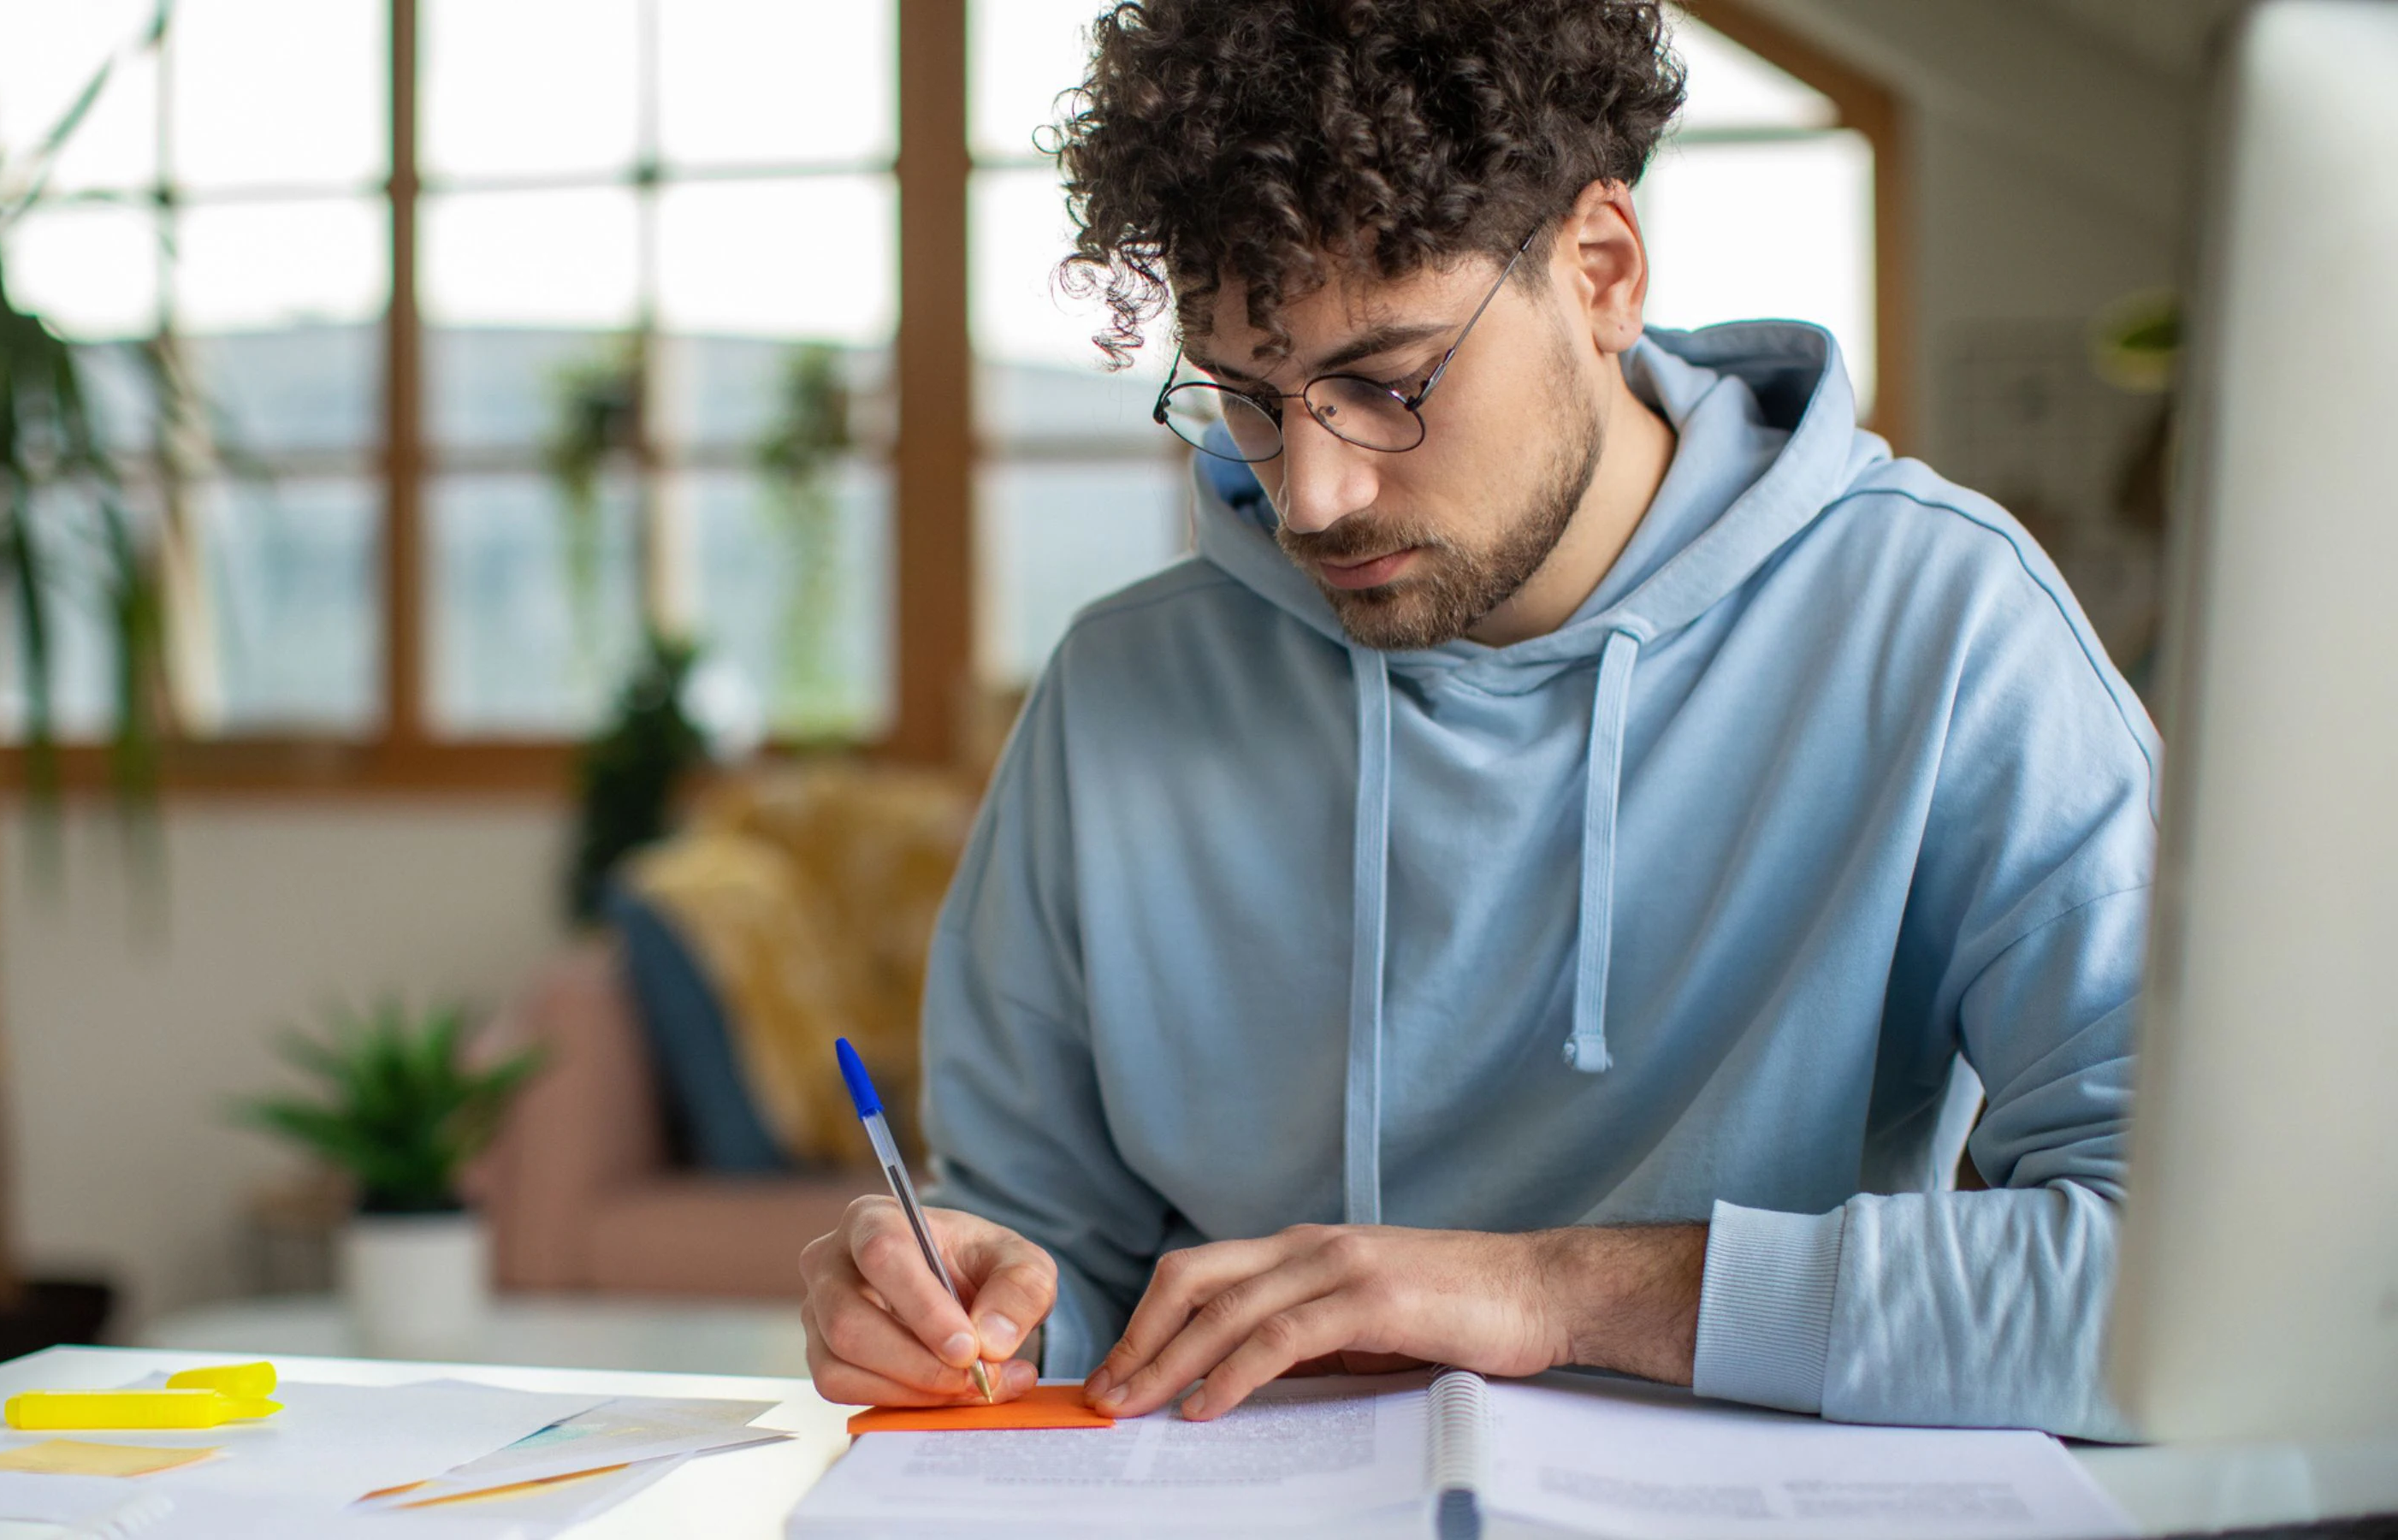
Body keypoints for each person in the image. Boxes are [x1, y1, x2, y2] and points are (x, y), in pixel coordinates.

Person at [800, 0, 2151, 1441]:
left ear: (1602, 273)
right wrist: (959, 1310)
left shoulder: (1940, 626)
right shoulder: (1120, 696)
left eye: (1385, 385)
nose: (1309, 494)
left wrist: (1555, 1295)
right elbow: (1046, 1271)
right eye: (1248, 400)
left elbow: (2188, 1297)